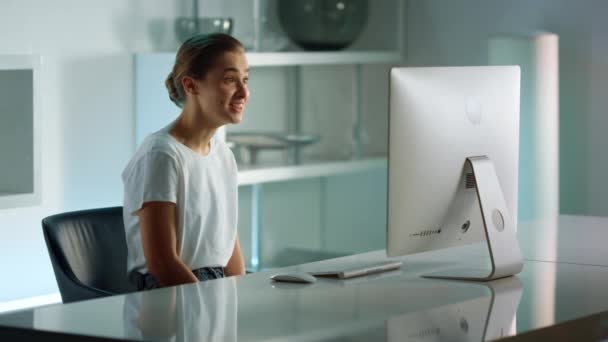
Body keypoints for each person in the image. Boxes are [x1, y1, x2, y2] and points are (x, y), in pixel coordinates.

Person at [122, 33, 248, 291]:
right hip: (169, 295)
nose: (244, 92)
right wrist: (211, 307)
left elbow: (228, 244)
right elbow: (162, 264)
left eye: (245, 79)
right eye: (230, 79)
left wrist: (240, 299)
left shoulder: (224, 155)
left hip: (212, 288)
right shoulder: (161, 155)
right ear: (191, 85)